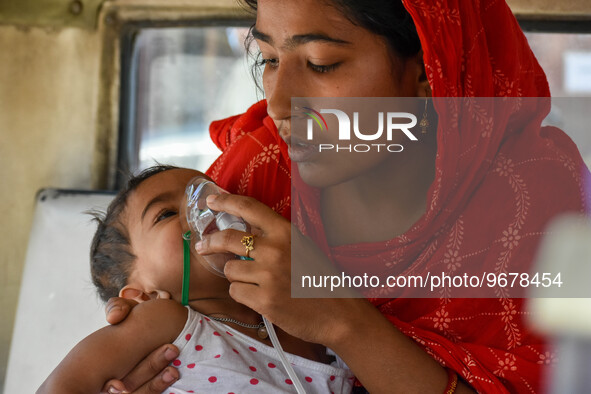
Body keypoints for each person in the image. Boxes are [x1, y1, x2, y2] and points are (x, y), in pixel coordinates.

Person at [102, 0, 590, 393]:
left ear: (426, 71)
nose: (277, 105)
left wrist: (342, 319)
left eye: (320, 64)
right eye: (269, 60)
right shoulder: (256, 174)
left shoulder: (533, 207)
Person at [38, 166, 353, 394]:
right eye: (165, 214)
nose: (202, 207)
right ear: (142, 295)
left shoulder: (299, 312)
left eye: (209, 194)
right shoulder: (164, 320)